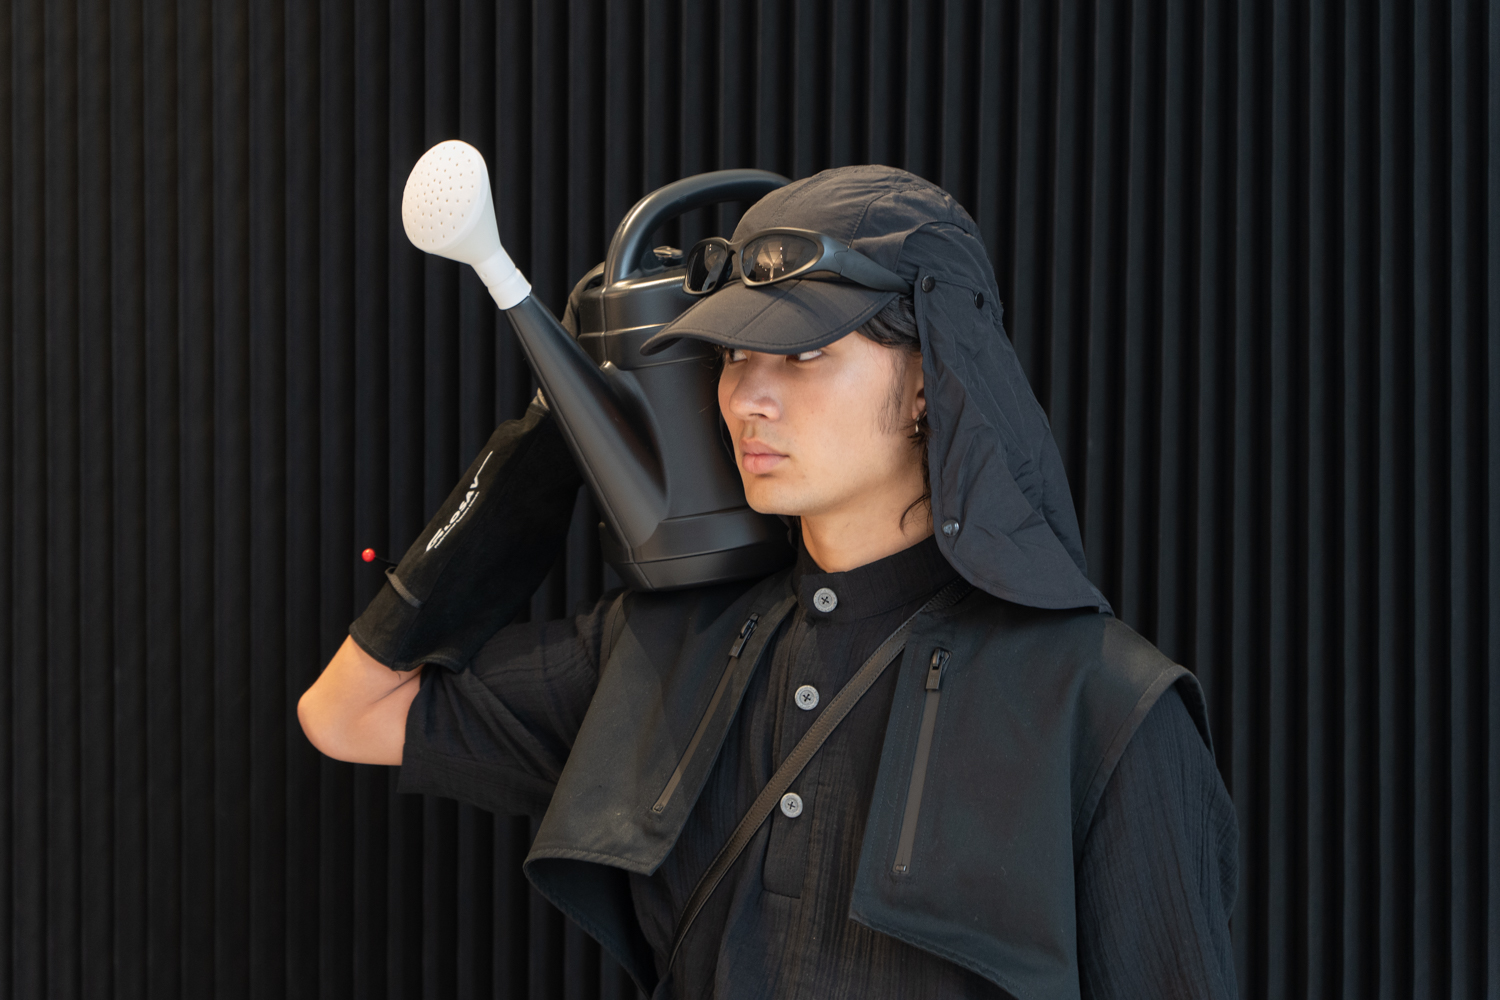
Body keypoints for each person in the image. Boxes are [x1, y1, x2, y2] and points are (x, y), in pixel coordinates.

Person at [299, 165, 1239, 999]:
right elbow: (346, 713)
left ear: (928, 379)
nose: (750, 394)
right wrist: (559, 426)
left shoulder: (1104, 709)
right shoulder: (667, 650)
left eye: (801, 355)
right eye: (735, 355)